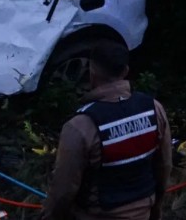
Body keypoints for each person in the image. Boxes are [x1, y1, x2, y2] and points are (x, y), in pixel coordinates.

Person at [42, 43, 172, 220]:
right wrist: (156, 209)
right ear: (125, 71)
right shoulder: (154, 110)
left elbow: (63, 191)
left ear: (91, 73)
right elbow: (164, 165)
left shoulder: (81, 126)